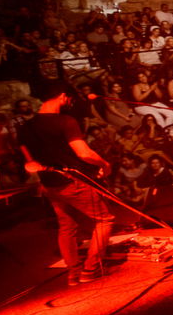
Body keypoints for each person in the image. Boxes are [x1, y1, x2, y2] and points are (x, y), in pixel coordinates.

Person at [18, 81, 114, 284]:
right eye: (70, 99)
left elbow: (30, 163)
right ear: (63, 96)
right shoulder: (65, 121)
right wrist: (104, 164)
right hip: (73, 180)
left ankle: (73, 273)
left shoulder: (26, 127)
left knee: (67, 227)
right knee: (104, 220)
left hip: (50, 184)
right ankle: (91, 269)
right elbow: (84, 153)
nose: (70, 103)